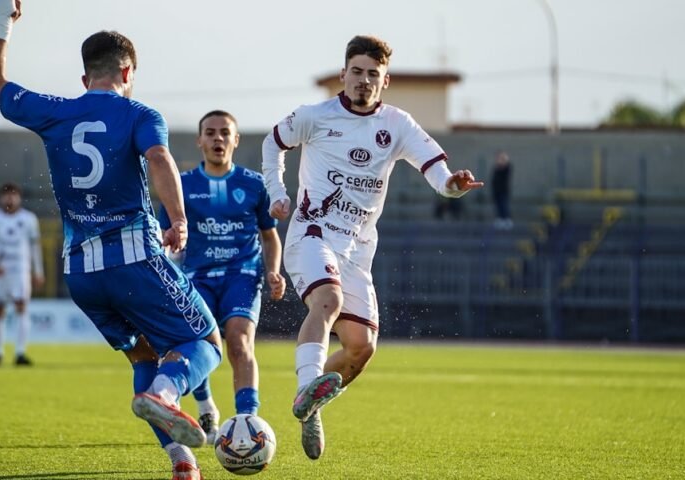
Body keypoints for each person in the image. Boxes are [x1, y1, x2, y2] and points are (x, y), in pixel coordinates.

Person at [0, 2, 221, 478]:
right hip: (133, 259)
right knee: (205, 341)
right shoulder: (139, 113)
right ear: (128, 71)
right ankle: (166, 396)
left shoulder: (56, 112)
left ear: (84, 76)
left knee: (144, 354)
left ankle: (182, 462)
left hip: (80, 272)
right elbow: (158, 160)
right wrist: (179, 219)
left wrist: (0, 22)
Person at [262, 34, 484, 460]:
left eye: (373, 75)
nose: (364, 81)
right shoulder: (315, 116)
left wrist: (452, 187)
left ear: (385, 81)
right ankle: (308, 383)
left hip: (358, 249)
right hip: (312, 233)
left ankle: (310, 408)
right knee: (326, 300)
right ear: (343, 74)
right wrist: (276, 190)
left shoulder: (397, 124)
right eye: (357, 72)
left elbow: (436, 169)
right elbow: (273, 143)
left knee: (361, 347)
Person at [158, 110, 285, 443]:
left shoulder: (254, 184)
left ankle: (248, 421)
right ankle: (206, 405)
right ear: (199, 140)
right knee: (197, 342)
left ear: (235, 140)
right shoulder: (182, 185)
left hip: (241, 273)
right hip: (196, 276)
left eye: (225, 133)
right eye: (210, 133)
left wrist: (273, 271)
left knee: (240, 341)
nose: (218, 139)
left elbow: (269, 235)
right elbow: (163, 234)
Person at [0, 182, 43, 367]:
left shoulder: (29, 219)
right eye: (6, 194)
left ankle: (20, 352)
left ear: (19, 197)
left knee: (21, 306)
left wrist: (38, 271)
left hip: (20, 269)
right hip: (1, 269)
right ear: (1, 197)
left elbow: (35, 247)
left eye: (13, 194)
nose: (10, 198)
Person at [491, 150, 512, 229]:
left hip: (503, 190)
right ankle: (500, 219)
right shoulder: (496, 168)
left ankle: (506, 219)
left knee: (504, 205)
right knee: (498, 205)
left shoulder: (507, 168)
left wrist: (503, 161)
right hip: (496, 191)